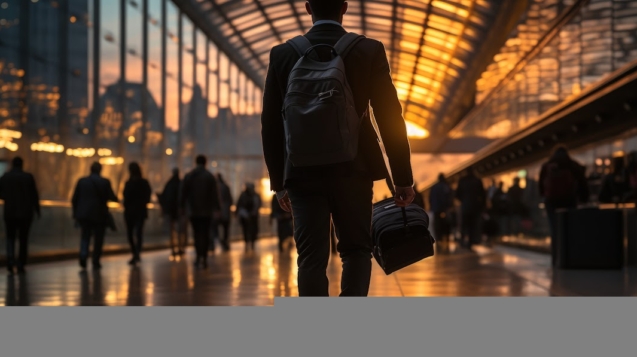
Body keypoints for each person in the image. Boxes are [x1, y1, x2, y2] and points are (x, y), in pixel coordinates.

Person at [261, 0, 415, 296]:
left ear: (308, 8)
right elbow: (389, 117)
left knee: (310, 259)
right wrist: (402, 178)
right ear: (344, 7)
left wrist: (279, 183)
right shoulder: (368, 50)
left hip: (301, 172)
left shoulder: (282, 55)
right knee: (356, 250)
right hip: (354, 169)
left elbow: (270, 124)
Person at [539, 145, 589, 266]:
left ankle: (555, 259)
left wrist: (544, 196)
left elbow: (541, 186)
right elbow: (582, 182)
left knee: (555, 230)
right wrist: (583, 198)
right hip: (569, 200)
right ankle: (568, 258)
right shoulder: (571, 164)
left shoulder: (547, 165)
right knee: (569, 230)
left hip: (551, 202)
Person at [71, 162, 119, 270]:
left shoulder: (82, 181)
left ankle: (83, 254)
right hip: (99, 215)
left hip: (84, 215)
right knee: (99, 239)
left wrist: (75, 213)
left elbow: (74, 199)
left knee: (85, 236)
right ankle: (95, 260)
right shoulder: (105, 182)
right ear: (100, 170)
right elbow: (112, 197)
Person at [0, 157, 40, 275]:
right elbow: (34, 195)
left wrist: (7, 198)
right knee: (23, 239)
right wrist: (37, 210)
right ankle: (21, 263)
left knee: (10, 238)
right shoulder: (28, 177)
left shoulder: (6, 177)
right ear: (22, 165)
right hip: (25, 213)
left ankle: (10, 260)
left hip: (10, 212)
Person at [180, 155, 221, 268]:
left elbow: (183, 193)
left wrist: (182, 207)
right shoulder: (209, 177)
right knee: (206, 233)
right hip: (207, 211)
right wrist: (217, 209)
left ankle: (198, 257)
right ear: (206, 163)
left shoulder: (190, 176)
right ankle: (204, 258)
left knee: (197, 234)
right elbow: (214, 195)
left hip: (193, 211)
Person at [123, 162, 152, 265]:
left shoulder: (128, 183)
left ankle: (135, 253)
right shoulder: (144, 183)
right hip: (140, 211)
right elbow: (148, 197)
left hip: (130, 212)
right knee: (139, 233)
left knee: (130, 234)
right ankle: (137, 253)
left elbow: (125, 197)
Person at [455, 166, 486, 250]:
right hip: (475, 207)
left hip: (465, 206)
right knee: (473, 225)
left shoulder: (462, 181)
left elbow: (457, 194)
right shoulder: (477, 180)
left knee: (464, 225)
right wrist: (482, 206)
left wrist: (463, 200)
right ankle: (471, 242)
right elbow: (483, 195)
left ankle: (462, 241)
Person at [158, 168, 186, 257]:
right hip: (179, 210)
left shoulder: (169, 184)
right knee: (180, 230)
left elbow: (163, 197)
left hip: (170, 211)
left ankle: (173, 248)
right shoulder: (181, 184)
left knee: (172, 230)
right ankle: (181, 247)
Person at [428, 173, 453, 244]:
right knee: (446, 224)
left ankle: (439, 238)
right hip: (444, 209)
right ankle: (446, 237)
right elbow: (448, 198)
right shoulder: (446, 186)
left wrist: (432, 207)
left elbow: (430, 199)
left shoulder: (434, 187)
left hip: (436, 209)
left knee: (437, 225)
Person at [236, 183, 261, 252]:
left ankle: (250, 243)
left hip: (251, 217)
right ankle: (249, 243)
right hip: (247, 217)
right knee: (247, 231)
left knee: (251, 231)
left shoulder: (252, 195)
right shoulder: (252, 195)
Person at [215, 173, 233, 252]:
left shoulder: (215, 187)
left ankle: (219, 241)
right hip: (225, 212)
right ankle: (225, 242)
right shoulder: (226, 187)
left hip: (217, 212)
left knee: (215, 229)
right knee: (225, 229)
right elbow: (230, 200)